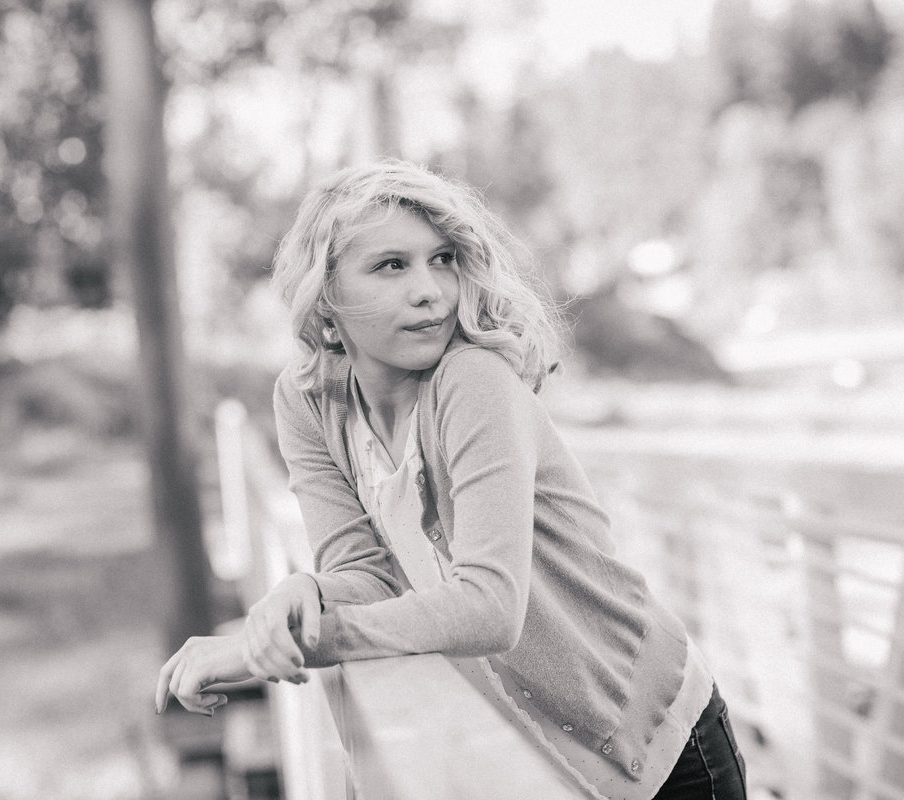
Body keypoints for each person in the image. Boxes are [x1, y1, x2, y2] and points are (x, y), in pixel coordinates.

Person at [156, 160, 748, 799]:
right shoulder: (309, 401)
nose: (430, 291)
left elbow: (491, 608)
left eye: (442, 260)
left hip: (659, 744)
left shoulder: (472, 381)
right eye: (391, 266)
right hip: (549, 756)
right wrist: (303, 591)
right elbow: (366, 573)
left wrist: (285, 644)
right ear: (325, 293)